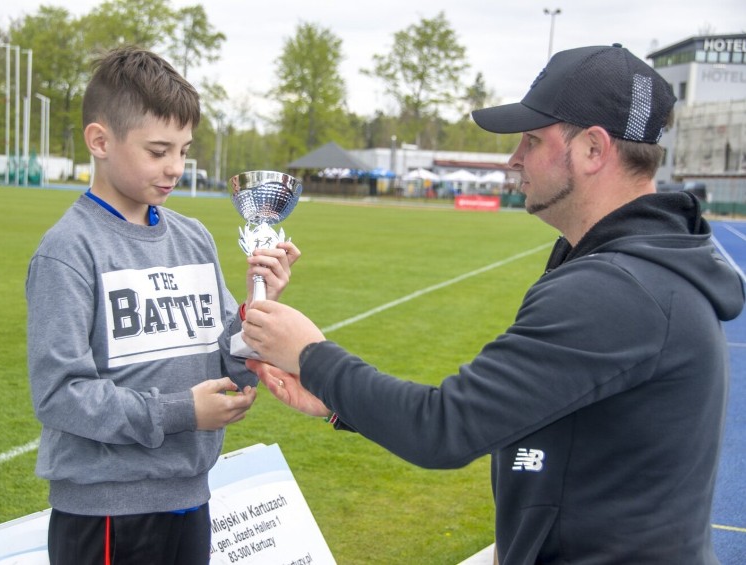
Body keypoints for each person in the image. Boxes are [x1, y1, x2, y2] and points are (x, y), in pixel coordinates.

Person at [241, 44, 744, 564]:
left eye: (532, 139)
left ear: (594, 150)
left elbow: (444, 429)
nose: (514, 159)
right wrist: (335, 403)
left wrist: (311, 355)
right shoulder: (636, 269)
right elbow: (509, 414)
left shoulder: (616, 289)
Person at [25, 45, 299, 565]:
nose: (175, 168)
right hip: (106, 511)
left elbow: (225, 358)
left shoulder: (193, 238)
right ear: (100, 141)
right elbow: (60, 394)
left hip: (191, 496)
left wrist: (255, 312)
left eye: (184, 150)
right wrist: (181, 411)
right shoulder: (68, 251)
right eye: (158, 151)